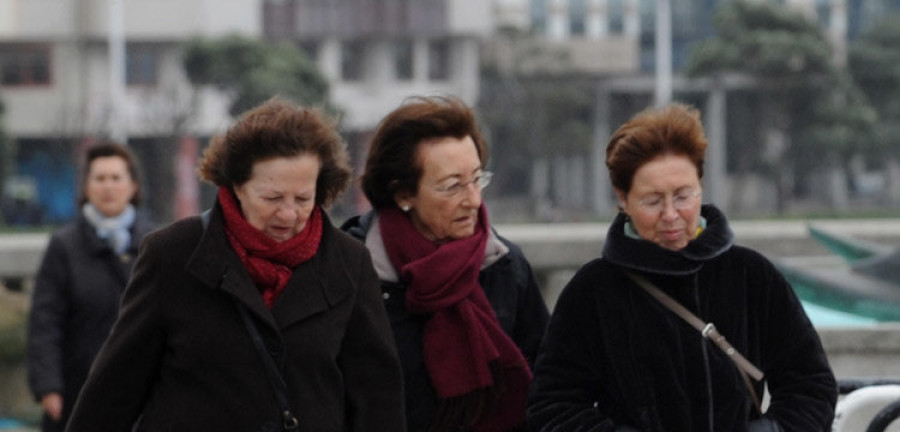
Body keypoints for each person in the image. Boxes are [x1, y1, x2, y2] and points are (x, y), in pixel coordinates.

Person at [65, 98, 406, 431]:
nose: (288, 214)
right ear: (237, 186)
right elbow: (118, 384)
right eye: (272, 198)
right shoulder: (172, 253)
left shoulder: (348, 262)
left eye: (303, 199)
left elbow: (377, 396)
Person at [527, 103, 837, 431]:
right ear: (623, 199)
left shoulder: (751, 275)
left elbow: (812, 386)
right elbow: (553, 406)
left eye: (683, 195)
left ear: (700, 185)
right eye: (653, 200)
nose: (671, 214)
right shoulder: (593, 290)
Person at [342, 95, 550, 432]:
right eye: (452, 186)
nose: (472, 200)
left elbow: (548, 384)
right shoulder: (354, 274)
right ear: (403, 194)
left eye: (477, 179)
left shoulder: (504, 266)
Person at [27, 142, 154, 432]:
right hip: (78, 390)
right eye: (99, 178)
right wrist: (48, 387)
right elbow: (45, 322)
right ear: (85, 187)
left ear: (133, 186)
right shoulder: (64, 246)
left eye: (116, 178)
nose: (107, 187)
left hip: (141, 392)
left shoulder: (155, 242)